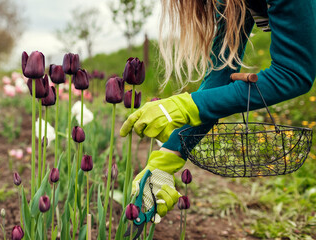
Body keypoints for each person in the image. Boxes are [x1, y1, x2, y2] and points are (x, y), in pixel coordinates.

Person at [120, 0, 316, 222]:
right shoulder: (230, 3)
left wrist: (188, 105)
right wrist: (166, 158)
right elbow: (220, 77)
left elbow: (293, 73)